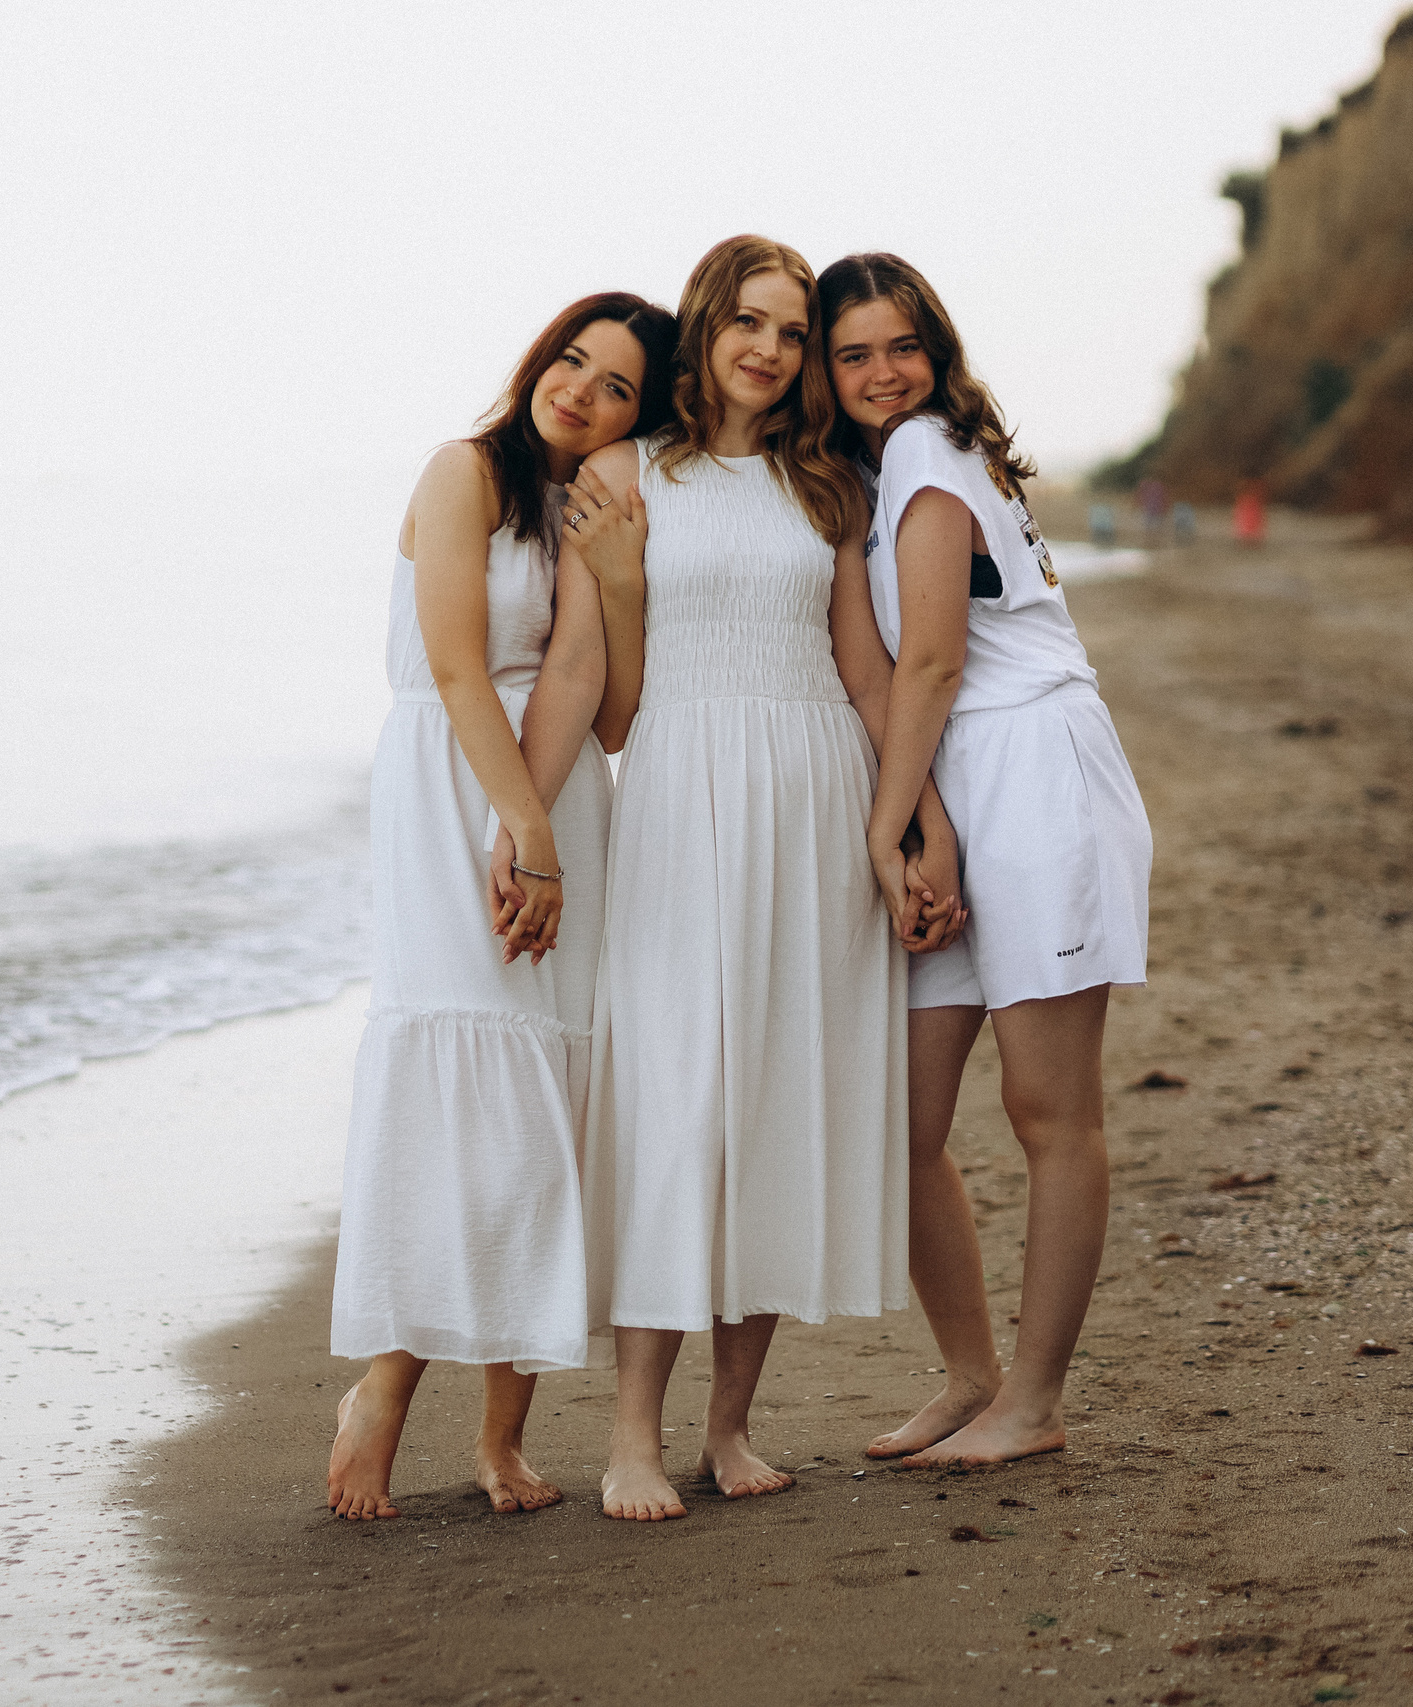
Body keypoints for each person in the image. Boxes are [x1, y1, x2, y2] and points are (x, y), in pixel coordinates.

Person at [560, 236, 945, 1522]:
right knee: (678, 1105)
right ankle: (630, 1437)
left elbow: (870, 676)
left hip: (815, 802)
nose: (771, 350)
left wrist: (911, 828)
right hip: (679, 801)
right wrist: (522, 825)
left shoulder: (824, 484)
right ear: (705, 329)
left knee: (774, 1104)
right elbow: (601, 703)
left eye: (791, 331)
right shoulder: (621, 475)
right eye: (749, 323)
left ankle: (728, 1429)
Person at [327, 293, 680, 1521]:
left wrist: (625, 578)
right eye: (572, 362)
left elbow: (620, 711)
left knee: (547, 1107)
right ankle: (382, 1391)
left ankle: (501, 1436)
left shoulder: (594, 504)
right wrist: (520, 830)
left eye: (618, 385)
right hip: (456, 790)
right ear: (540, 360)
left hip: (560, 791)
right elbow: (453, 663)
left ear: (645, 412)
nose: (581, 391)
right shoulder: (461, 470)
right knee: (464, 1096)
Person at [817, 251, 1153, 1466]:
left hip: (1034, 775)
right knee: (897, 1117)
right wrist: (922, 820)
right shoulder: (888, 466)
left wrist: (887, 822)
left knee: (1048, 1109)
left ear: (936, 349)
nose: (881, 373)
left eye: (901, 346)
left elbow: (937, 664)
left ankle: (1036, 1400)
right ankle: (970, 1377)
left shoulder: (925, 453)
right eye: (852, 353)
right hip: (962, 778)